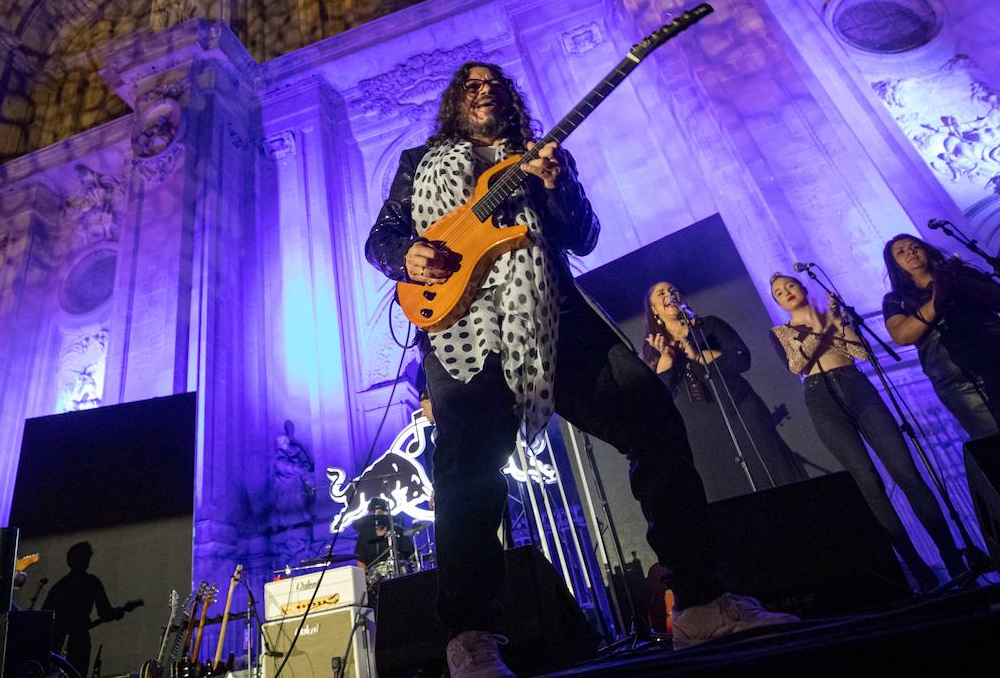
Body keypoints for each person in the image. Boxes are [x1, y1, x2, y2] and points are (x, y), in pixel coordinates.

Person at [365, 61, 795, 676]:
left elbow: (586, 237)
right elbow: (382, 236)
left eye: (495, 82)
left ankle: (699, 603)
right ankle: (470, 638)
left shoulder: (542, 157)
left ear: (510, 99)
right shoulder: (417, 162)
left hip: (554, 311)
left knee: (651, 418)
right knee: (468, 474)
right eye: (471, 84)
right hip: (463, 327)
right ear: (456, 102)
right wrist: (405, 255)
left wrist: (556, 184)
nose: (484, 89)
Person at [768, 272, 965, 589]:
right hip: (821, 398)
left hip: (857, 386)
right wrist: (823, 326)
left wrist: (838, 321)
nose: (786, 291)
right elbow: (797, 364)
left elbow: (861, 352)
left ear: (803, 287)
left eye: (790, 285)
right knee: (868, 482)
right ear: (778, 302)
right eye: (779, 292)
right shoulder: (780, 331)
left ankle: (952, 558)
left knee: (906, 472)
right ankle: (917, 570)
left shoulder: (834, 315)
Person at [881, 234, 1000, 438]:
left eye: (915, 246)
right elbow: (902, 335)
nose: (910, 251)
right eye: (901, 252)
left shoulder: (964, 274)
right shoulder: (896, 299)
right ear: (894, 264)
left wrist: (961, 281)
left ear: (926, 250)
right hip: (962, 379)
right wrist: (940, 294)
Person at [641, 282, 805, 500]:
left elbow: (741, 359)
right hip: (701, 429)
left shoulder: (709, 326)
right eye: (661, 294)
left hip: (740, 408)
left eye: (672, 291)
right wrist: (667, 358)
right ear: (654, 310)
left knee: (772, 468)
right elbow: (660, 397)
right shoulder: (653, 347)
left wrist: (697, 355)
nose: (669, 295)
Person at [43, 542, 124, 676]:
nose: (88, 560)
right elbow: (105, 612)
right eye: (85, 556)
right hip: (76, 640)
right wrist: (118, 612)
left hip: (63, 641)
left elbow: (44, 616)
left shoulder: (60, 586)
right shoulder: (90, 582)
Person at [353, 497, 416, 576]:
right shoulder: (364, 535)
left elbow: (410, 555)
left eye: (381, 512)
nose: (378, 514)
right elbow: (360, 561)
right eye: (375, 512)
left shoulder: (397, 530)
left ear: (387, 512)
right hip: (375, 578)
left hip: (399, 574)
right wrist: (365, 577)